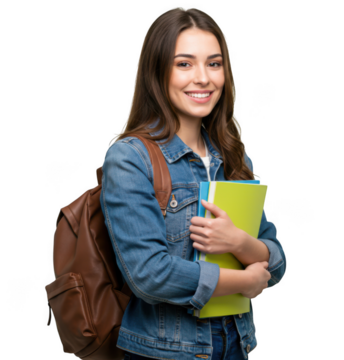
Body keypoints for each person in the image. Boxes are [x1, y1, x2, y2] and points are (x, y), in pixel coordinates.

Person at [100, 7, 287, 360]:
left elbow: (275, 258)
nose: (203, 77)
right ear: (158, 72)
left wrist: (241, 243)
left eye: (214, 64)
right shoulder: (130, 158)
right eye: (184, 64)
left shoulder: (233, 157)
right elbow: (150, 275)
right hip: (166, 351)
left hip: (237, 344)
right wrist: (243, 282)